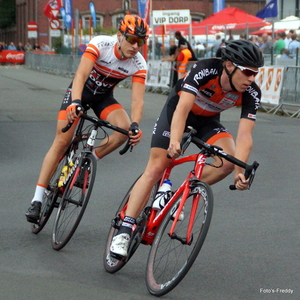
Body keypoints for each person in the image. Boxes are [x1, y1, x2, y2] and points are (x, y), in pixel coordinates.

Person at [109, 39, 264, 258]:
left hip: (208, 121)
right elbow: (182, 109)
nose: (251, 78)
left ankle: (175, 196)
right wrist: (174, 141)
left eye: (255, 73)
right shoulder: (205, 69)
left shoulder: (252, 92)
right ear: (229, 65)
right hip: (177, 111)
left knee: (228, 161)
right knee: (157, 167)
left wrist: (239, 172)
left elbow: (245, 135)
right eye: (247, 72)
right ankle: (125, 230)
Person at [25, 14, 149, 223]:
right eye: (132, 40)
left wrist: (136, 125)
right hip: (79, 92)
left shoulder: (138, 63)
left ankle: (86, 164)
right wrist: (75, 102)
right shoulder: (101, 44)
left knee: (124, 129)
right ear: (120, 35)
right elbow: (81, 75)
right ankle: (37, 199)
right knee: (62, 141)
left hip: (103, 98)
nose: (136, 46)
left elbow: (137, 101)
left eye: (142, 42)